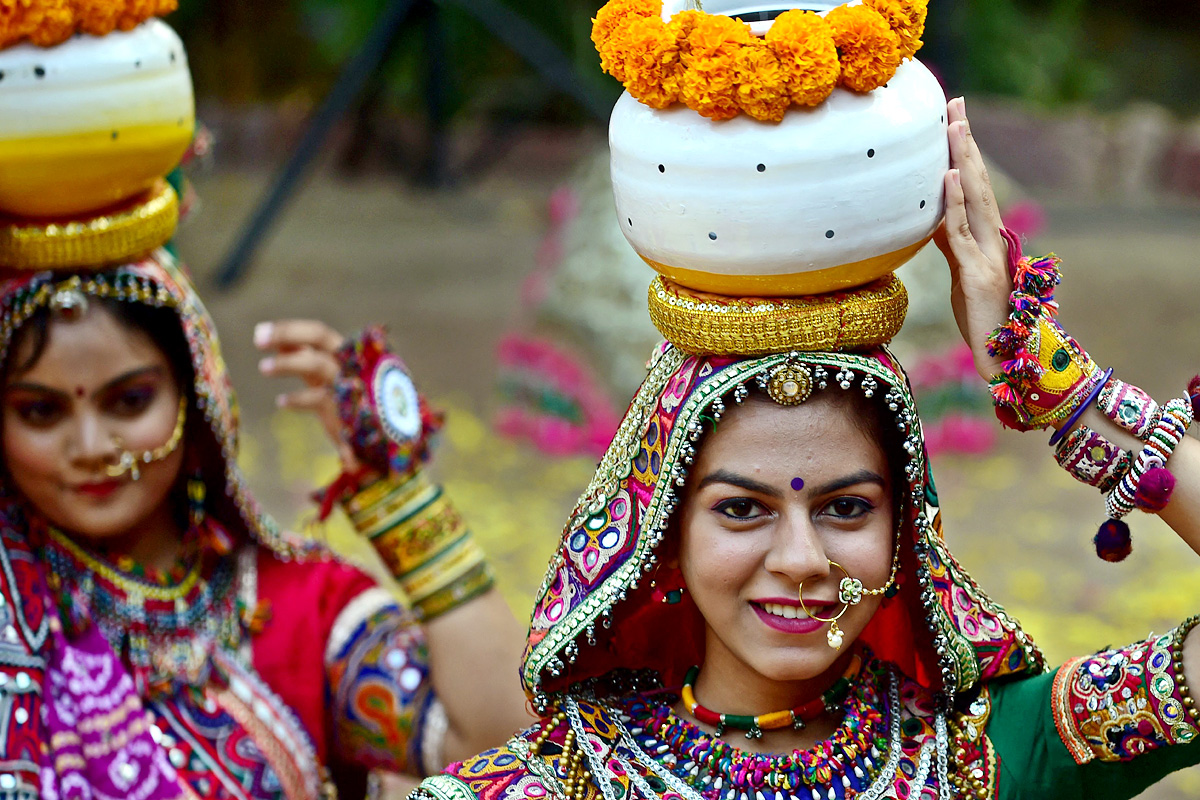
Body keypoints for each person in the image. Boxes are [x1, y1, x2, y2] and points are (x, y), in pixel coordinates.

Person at [410, 1, 1200, 797]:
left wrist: (1046, 379)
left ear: (906, 534)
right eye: (741, 509)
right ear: (665, 535)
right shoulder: (556, 783)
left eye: (847, 509)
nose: (800, 562)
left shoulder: (983, 759)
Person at [0, 7, 529, 799]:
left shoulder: (292, 607)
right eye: (41, 412)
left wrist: (403, 499)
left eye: (130, 400)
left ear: (199, 393)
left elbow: (501, 746)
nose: (90, 444)